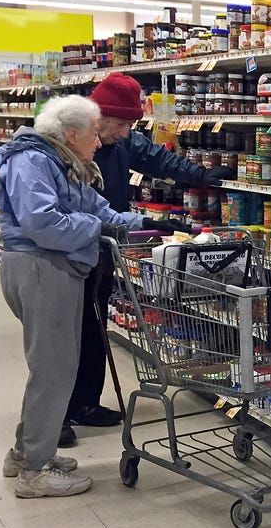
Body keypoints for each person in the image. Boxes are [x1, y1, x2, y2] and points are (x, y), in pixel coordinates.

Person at [0, 96, 178, 497]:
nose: (100, 143)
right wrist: (94, 228)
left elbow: (102, 210)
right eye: (95, 135)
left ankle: (25, 452)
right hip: (39, 267)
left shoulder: (64, 162)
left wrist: (148, 222)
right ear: (71, 133)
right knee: (54, 369)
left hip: (55, 269)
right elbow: (42, 223)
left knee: (52, 366)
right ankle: (35, 473)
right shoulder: (32, 161)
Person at [61, 73, 234, 446]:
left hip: (104, 250)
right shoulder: (67, 145)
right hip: (67, 255)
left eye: (130, 125)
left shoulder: (123, 141)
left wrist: (203, 175)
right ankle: (56, 414)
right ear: (96, 116)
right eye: (121, 123)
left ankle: (85, 404)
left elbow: (161, 161)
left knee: (94, 328)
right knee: (62, 335)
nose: (126, 132)